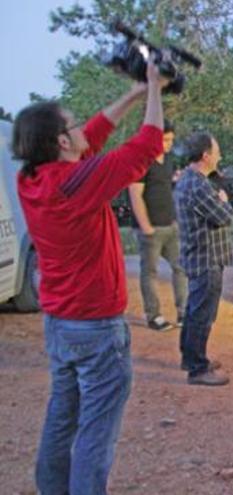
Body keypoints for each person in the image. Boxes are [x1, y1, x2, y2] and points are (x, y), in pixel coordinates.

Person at [13, 61, 165, 495]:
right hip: (95, 326)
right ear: (62, 141)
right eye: (73, 124)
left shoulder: (34, 178)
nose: (84, 127)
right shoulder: (74, 182)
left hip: (60, 323)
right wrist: (155, 88)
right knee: (97, 431)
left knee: (63, 416)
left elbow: (92, 135)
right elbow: (145, 147)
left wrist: (136, 92)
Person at [174, 132, 233, 386]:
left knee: (194, 310)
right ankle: (198, 368)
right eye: (216, 152)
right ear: (206, 156)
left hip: (198, 255)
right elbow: (223, 216)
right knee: (202, 314)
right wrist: (225, 201)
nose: (219, 156)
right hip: (205, 257)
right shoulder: (198, 185)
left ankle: (191, 358)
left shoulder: (189, 180)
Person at [128, 119, 187, 331]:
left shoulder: (169, 160)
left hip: (171, 225)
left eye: (171, 139)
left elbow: (165, 187)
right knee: (150, 272)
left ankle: (184, 312)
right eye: (165, 139)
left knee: (181, 267)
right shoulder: (142, 161)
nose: (169, 143)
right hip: (150, 228)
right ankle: (154, 315)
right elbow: (135, 194)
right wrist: (145, 227)